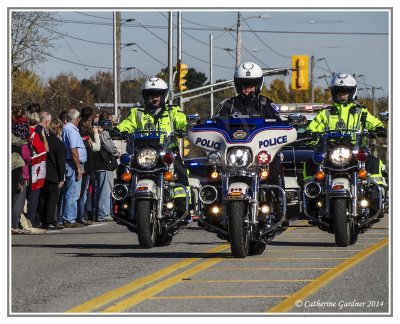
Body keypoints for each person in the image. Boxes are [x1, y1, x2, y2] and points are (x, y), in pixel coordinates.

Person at [304, 73, 387, 211]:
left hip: (355, 150)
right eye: (339, 92)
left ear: (352, 92)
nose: (342, 95)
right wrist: (309, 134)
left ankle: (376, 196)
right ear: (333, 93)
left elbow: (376, 124)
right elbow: (312, 127)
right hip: (331, 152)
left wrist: (379, 129)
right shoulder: (326, 113)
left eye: (346, 92)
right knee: (310, 162)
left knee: (374, 162)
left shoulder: (362, 112)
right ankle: (311, 195)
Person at [115, 77, 190, 221]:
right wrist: (118, 129)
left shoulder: (173, 111)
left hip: (167, 153)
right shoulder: (138, 112)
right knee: (123, 169)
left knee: (181, 172)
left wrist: (185, 127)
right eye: (150, 95)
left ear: (164, 95)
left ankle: (183, 209)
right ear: (145, 96)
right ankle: (121, 203)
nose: (154, 98)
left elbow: (181, 121)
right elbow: (128, 124)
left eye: (158, 94)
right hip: (143, 154)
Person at [213, 62, 284, 188]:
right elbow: (215, 123)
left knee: (277, 157)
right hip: (232, 152)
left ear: (258, 85)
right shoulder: (228, 104)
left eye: (251, 85)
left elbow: (280, 124)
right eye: (243, 85)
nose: (247, 88)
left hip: (260, 151)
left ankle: (278, 197)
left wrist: (286, 125)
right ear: (238, 85)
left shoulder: (266, 104)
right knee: (213, 161)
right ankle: (211, 195)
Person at [61, 108, 87, 228]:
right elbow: (74, 150)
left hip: (72, 162)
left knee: (70, 192)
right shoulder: (71, 131)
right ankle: (69, 218)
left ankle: (68, 217)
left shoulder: (67, 129)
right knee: (73, 193)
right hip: (73, 163)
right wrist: (78, 168)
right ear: (76, 119)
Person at [40, 118, 66, 230]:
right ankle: (49, 221)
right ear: (59, 130)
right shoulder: (59, 144)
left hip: (43, 172)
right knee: (52, 199)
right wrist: (61, 178)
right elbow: (61, 163)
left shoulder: (45, 141)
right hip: (54, 174)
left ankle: (42, 220)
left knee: (43, 198)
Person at [26, 110, 50, 228]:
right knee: (34, 195)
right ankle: (31, 220)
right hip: (34, 165)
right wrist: (44, 137)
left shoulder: (23, 132)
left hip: (26, 165)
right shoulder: (34, 134)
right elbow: (43, 150)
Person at [92, 116, 119, 222]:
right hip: (105, 165)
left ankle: (97, 212)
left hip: (98, 165)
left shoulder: (95, 134)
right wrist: (116, 153)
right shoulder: (104, 134)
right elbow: (111, 147)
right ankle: (103, 213)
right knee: (105, 190)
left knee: (99, 190)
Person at [77, 106, 100, 224]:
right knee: (84, 192)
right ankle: (82, 215)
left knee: (83, 191)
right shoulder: (86, 130)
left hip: (84, 163)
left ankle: (82, 214)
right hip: (87, 164)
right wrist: (96, 134)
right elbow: (97, 147)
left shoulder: (79, 126)